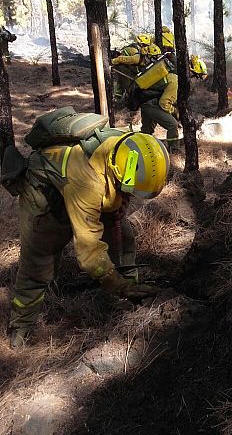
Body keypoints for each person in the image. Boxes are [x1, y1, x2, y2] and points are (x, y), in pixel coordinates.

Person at [5, 124, 170, 349]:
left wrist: (121, 202)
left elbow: (127, 184)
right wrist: (115, 284)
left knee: (124, 236)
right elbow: (89, 252)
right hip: (44, 193)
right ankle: (20, 329)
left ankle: (132, 296)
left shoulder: (126, 146)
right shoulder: (87, 183)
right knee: (38, 263)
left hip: (91, 183)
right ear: (117, 173)